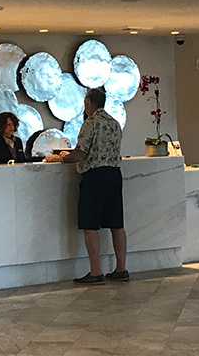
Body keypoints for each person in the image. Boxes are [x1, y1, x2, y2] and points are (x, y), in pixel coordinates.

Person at [44, 88, 128, 285]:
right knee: (117, 223)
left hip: (95, 176)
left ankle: (96, 271)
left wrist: (61, 158)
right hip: (114, 176)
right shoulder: (115, 123)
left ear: (89, 103)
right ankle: (121, 268)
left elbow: (80, 154)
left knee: (90, 224)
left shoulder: (90, 123)